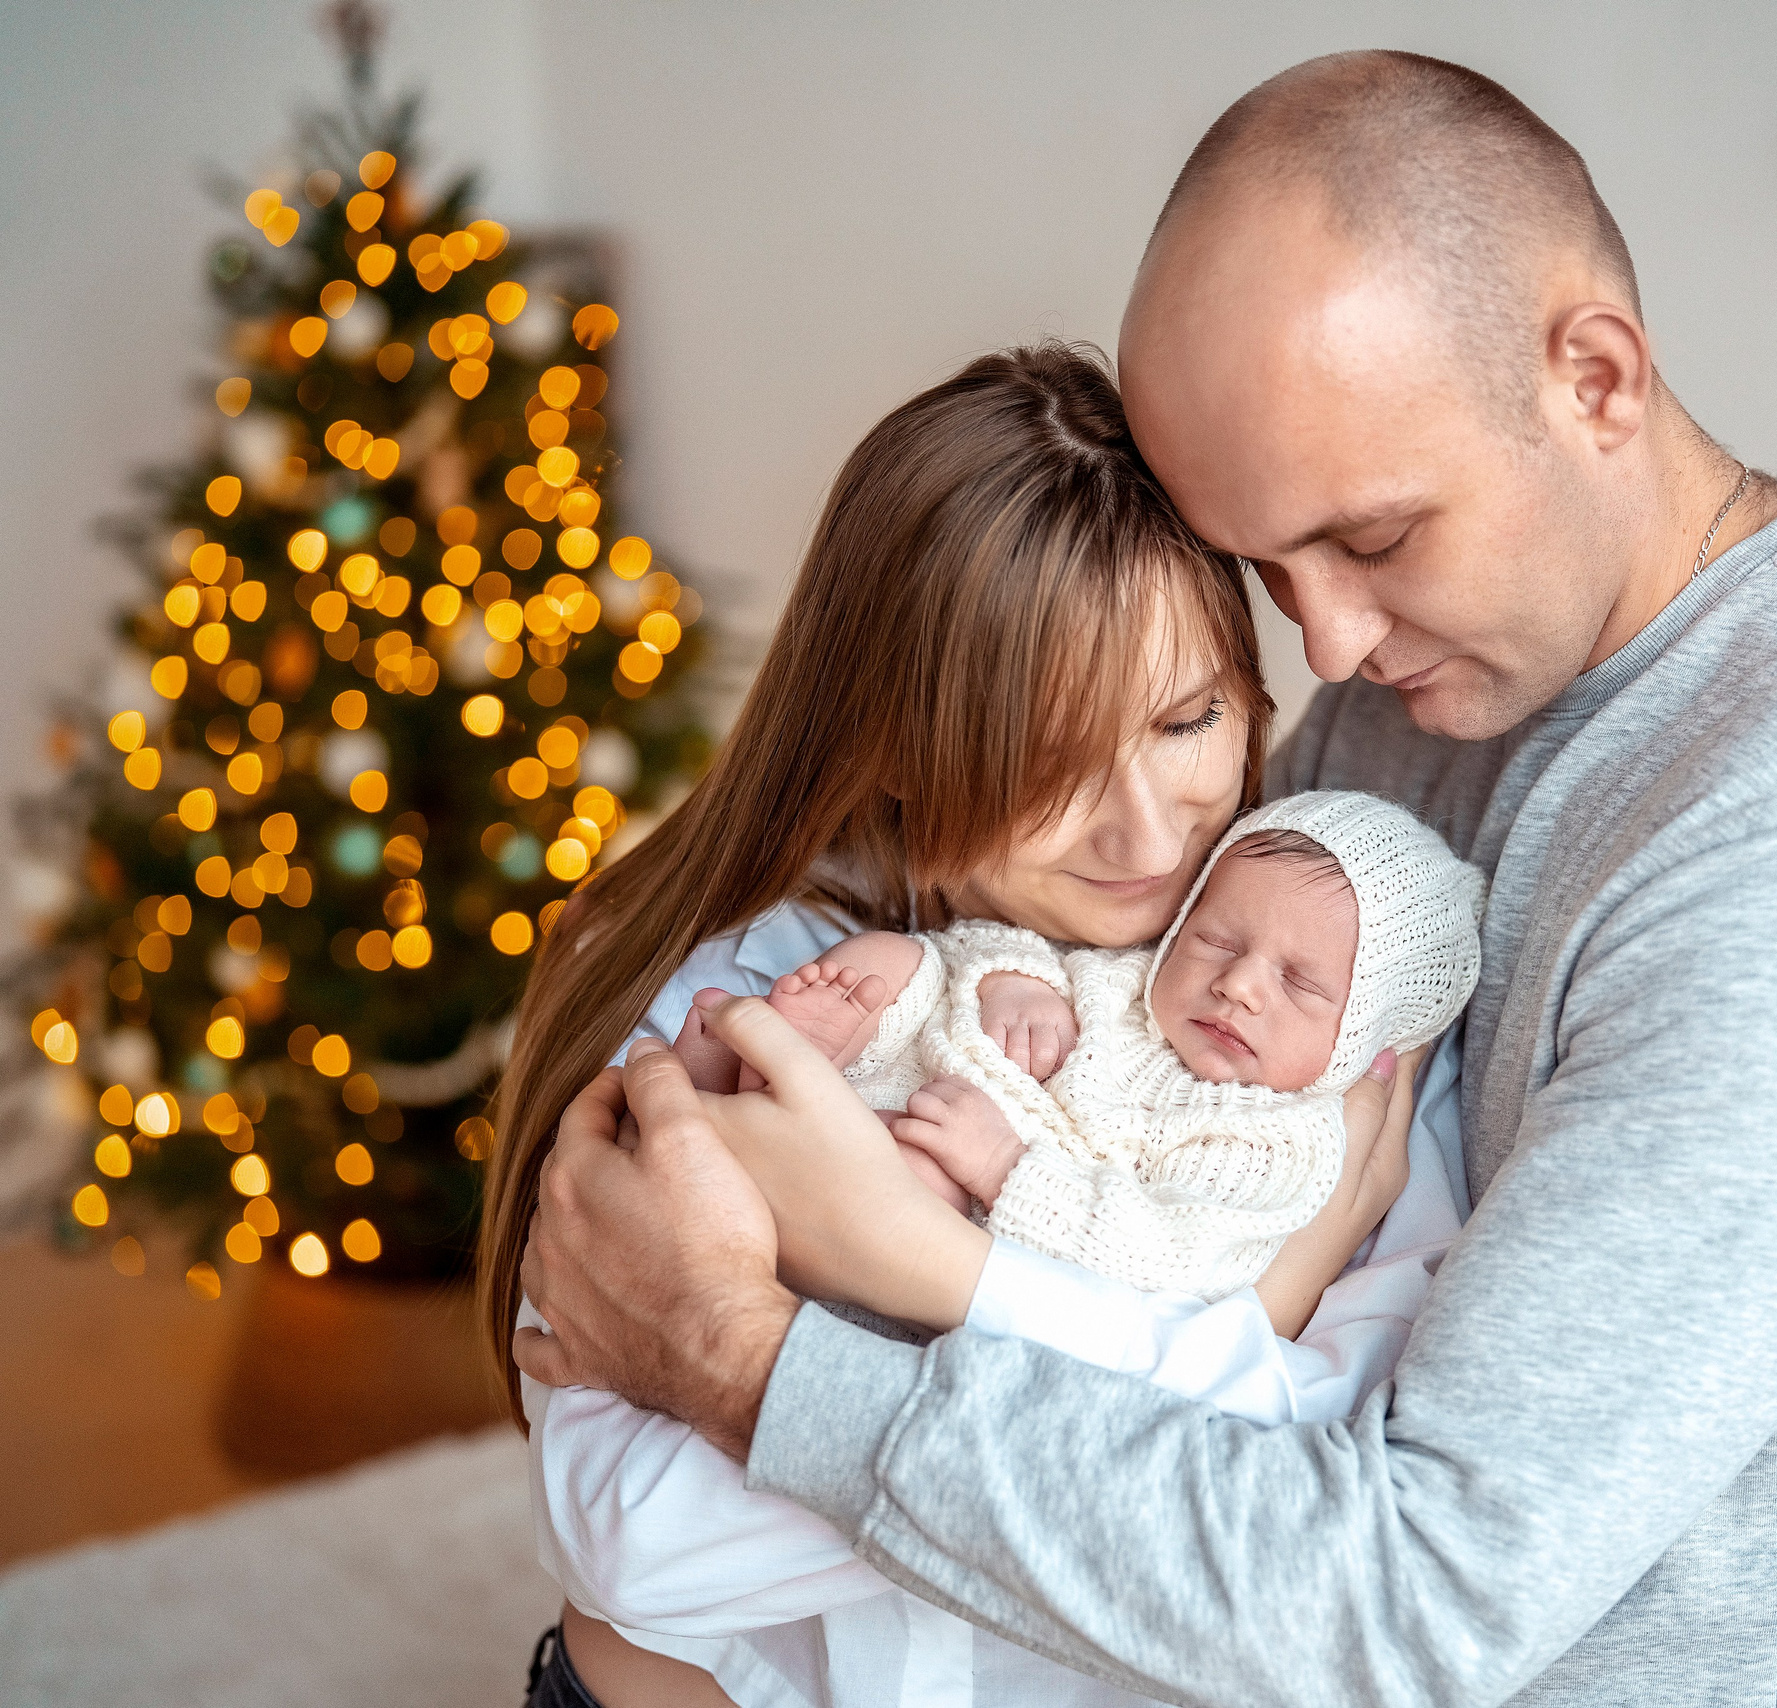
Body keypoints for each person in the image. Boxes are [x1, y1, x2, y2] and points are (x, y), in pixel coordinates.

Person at [517, 49, 1777, 1708]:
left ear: (1593, 377)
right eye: (1270, 569)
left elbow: (1404, 1601)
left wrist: (744, 1358)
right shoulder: (1409, 700)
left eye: (1369, 540)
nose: (1329, 644)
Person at [485, 343, 1444, 1706]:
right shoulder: (764, 1001)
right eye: (1047, 762)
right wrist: (1269, 1307)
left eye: (1188, 720)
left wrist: (866, 1288)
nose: (1148, 830)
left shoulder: (1311, 1006)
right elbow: (637, 1543)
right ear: (894, 744)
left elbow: (1313, 1524)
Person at [678, 789, 1484, 1299]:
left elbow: (1174, 1259)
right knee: (895, 961)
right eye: (1214, 938)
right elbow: (982, 950)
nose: (1239, 985)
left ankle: (744, 1122)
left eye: (1302, 985)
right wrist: (1016, 980)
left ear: (1367, 1035)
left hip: (962, 1216)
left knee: (920, 1180)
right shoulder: (1132, 982)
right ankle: (776, 1067)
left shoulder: (1278, 1142)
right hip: (924, 1078)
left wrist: (1004, 1169)